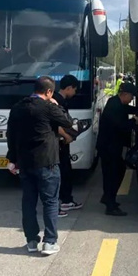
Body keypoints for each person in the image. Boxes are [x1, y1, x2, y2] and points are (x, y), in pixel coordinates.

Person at [6, 76, 73, 255]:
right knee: (50, 202)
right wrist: (57, 105)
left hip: (24, 163)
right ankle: (50, 242)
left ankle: (31, 241)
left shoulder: (17, 107)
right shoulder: (48, 107)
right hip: (47, 162)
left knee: (29, 202)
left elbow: (10, 135)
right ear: (49, 91)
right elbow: (68, 122)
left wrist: (12, 159)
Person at [96, 82, 138, 216]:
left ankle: (108, 198)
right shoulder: (114, 106)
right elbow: (120, 125)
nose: (131, 99)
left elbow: (128, 109)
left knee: (115, 172)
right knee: (113, 174)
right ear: (125, 94)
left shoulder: (116, 102)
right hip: (109, 147)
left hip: (111, 146)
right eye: (131, 96)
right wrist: (133, 121)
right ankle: (110, 205)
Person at [53, 74, 84, 214]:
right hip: (59, 142)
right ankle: (65, 200)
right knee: (63, 171)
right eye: (74, 90)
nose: (75, 93)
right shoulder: (58, 102)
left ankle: (65, 199)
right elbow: (55, 123)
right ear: (69, 88)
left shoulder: (57, 99)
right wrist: (67, 136)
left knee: (64, 170)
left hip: (59, 142)